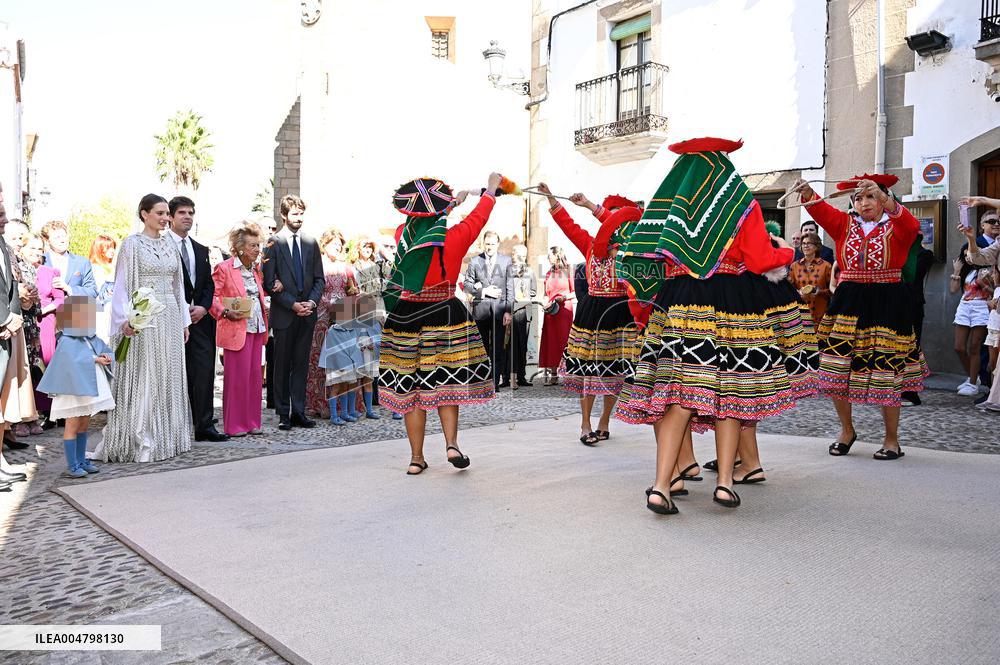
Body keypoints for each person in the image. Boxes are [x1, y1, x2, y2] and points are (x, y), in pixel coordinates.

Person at [615, 138, 802, 514]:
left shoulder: (671, 207)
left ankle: (661, 485)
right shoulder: (740, 204)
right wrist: (788, 252)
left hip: (681, 301)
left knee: (678, 396)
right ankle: (724, 484)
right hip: (733, 304)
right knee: (730, 393)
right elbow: (761, 258)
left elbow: (639, 255)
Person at [795, 173, 927, 461]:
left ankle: (891, 440)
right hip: (849, 300)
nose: (865, 202)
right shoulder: (844, 224)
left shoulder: (898, 225)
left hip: (888, 300)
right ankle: (846, 431)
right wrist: (808, 192)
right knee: (836, 367)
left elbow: (912, 225)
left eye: (871, 196)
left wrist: (887, 201)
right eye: (859, 197)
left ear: (884, 199)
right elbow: (821, 209)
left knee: (887, 372)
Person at [379, 173, 501, 474]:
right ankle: (451, 444)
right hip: (444, 314)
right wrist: (490, 191)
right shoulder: (455, 238)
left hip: (407, 317)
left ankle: (416, 458)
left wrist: (450, 205)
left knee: (412, 389)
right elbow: (478, 219)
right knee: (446, 383)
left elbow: (421, 222)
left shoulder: (402, 237)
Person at [537, 183, 639, 446]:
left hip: (619, 314)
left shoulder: (631, 249)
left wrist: (591, 206)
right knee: (590, 372)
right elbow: (567, 225)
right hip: (593, 313)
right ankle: (585, 423)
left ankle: (604, 421)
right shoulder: (591, 245)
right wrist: (550, 197)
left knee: (615, 371)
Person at [100, 194, 193, 463]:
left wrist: (184, 322)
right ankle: (142, 437)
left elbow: (179, 287)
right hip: (145, 318)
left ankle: (168, 436)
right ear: (144, 214)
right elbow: (122, 285)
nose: (166, 218)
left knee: (168, 374)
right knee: (147, 375)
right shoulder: (132, 245)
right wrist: (123, 321)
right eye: (160, 213)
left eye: (167, 214)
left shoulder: (170, 246)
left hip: (171, 317)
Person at [262, 195, 324, 431]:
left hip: (307, 314)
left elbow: (319, 278)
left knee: (301, 364)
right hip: (285, 315)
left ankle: (299, 411)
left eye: (301, 213)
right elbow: (269, 282)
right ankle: (283, 413)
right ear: (284, 215)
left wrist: (311, 302)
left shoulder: (311, 242)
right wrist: (292, 304)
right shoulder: (273, 243)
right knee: (281, 365)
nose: (299, 218)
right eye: (295, 214)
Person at [167, 196, 227, 442]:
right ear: (170, 217)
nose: (187, 216)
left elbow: (207, 284)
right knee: (174, 375)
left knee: (204, 374)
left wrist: (202, 307)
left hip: (201, 322)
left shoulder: (201, 249)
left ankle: (204, 426)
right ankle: (174, 427)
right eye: (182, 212)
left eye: (191, 212)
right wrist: (181, 311)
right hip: (171, 321)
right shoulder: (161, 247)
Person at [37, 296, 115, 477]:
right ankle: (72, 464)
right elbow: (69, 360)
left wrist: (106, 355)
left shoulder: (89, 337)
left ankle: (81, 460)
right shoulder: (67, 340)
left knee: (83, 425)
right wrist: (94, 359)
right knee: (72, 425)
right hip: (73, 389)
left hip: (88, 385)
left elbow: (102, 348)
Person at [211, 220, 268, 436]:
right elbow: (213, 298)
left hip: (256, 327)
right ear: (241, 247)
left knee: (254, 377)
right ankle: (234, 425)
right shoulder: (224, 268)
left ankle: (252, 422)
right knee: (236, 379)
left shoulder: (255, 271)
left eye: (258, 246)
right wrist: (225, 312)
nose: (257, 250)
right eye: (253, 246)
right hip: (236, 328)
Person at [310, 228, 360, 423]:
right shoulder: (317, 264)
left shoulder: (345, 266)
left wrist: (351, 297)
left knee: (347, 362)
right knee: (322, 362)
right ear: (325, 244)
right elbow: (313, 288)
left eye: (340, 244)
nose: (338, 247)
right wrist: (329, 304)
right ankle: (321, 405)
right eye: (334, 243)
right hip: (322, 314)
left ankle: (346, 409)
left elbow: (352, 290)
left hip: (344, 316)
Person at [959, 195, 1000, 410]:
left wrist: (983, 199)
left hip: (993, 301)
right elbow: (979, 258)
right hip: (993, 305)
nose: (996, 225)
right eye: (993, 221)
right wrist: (972, 239)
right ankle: (993, 396)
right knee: (994, 360)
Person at [0, 192, 28, 484]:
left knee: (3, 398)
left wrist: (15, 314)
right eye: (0, 215)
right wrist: (3, 317)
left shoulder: (2, 246)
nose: (5, 220)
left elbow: (11, 285)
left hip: (8, 330)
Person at [464, 231, 512, 390]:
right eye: (487, 244)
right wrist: (484, 292)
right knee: (481, 348)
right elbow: (467, 286)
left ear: (497, 244)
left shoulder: (506, 261)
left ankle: (494, 383)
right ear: (483, 244)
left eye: (492, 244)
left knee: (498, 348)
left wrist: (508, 311)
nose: (489, 247)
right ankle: (481, 381)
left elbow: (509, 288)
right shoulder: (475, 261)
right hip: (481, 311)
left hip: (499, 311)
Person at [11, 233, 45, 437]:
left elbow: (37, 296)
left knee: (32, 369)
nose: (36, 253)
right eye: (31, 248)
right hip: (15, 318)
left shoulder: (30, 268)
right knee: (17, 372)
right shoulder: (14, 264)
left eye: (39, 249)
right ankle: (18, 421)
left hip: (31, 321)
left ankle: (31, 416)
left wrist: (32, 298)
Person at [351, 238, 386, 417]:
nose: (367, 249)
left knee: (379, 357)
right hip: (362, 311)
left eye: (370, 246)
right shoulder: (354, 266)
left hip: (379, 310)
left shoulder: (378, 265)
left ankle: (378, 399)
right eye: (364, 246)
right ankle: (363, 404)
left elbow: (389, 282)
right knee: (363, 357)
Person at [538, 246, 574, 387]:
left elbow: (575, 292)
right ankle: (553, 375)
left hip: (564, 310)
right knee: (551, 342)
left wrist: (563, 297)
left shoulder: (569, 271)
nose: (548, 258)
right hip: (551, 312)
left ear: (557, 255)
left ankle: (569, 375)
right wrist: (544, 302)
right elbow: (546, 294)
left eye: (550, 255)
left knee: (565, 341)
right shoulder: (548, 273)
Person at [40, 220, 97, 298]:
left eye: (64, 236)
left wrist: (68, 289)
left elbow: (92, 292)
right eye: (57, 237)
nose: (62, 240)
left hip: (73, 309)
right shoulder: (40, 261)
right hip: (46, 309)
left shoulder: (82, 262)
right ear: (47, 241)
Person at [506, 244, 536, 388]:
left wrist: (525, 298)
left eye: (524, 256)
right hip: (510, 311)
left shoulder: (530, 271)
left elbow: (533, 291)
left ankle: (522, 376)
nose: (521, 258)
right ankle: (508, 377)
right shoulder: (508, 270)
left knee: (522, 346)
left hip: (524, 312)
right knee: (510, 346)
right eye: (518, 255)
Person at [788, 231, 833, 324]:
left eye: (809, 243)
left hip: (820, 313)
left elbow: (832, 290)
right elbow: (789, 289)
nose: (805, 246)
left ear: (816, 246)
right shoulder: (794, 266)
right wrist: (798, 292)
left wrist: (819, 292)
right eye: (803, 243)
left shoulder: (826, 266)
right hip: (800, 313)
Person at [88, 234, 117, 342]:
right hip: (100, 309)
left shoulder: (113, 266)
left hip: (113, 308)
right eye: (108, 247)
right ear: (99, 249)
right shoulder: (94, 268)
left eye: (113, 247)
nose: (112, 250)